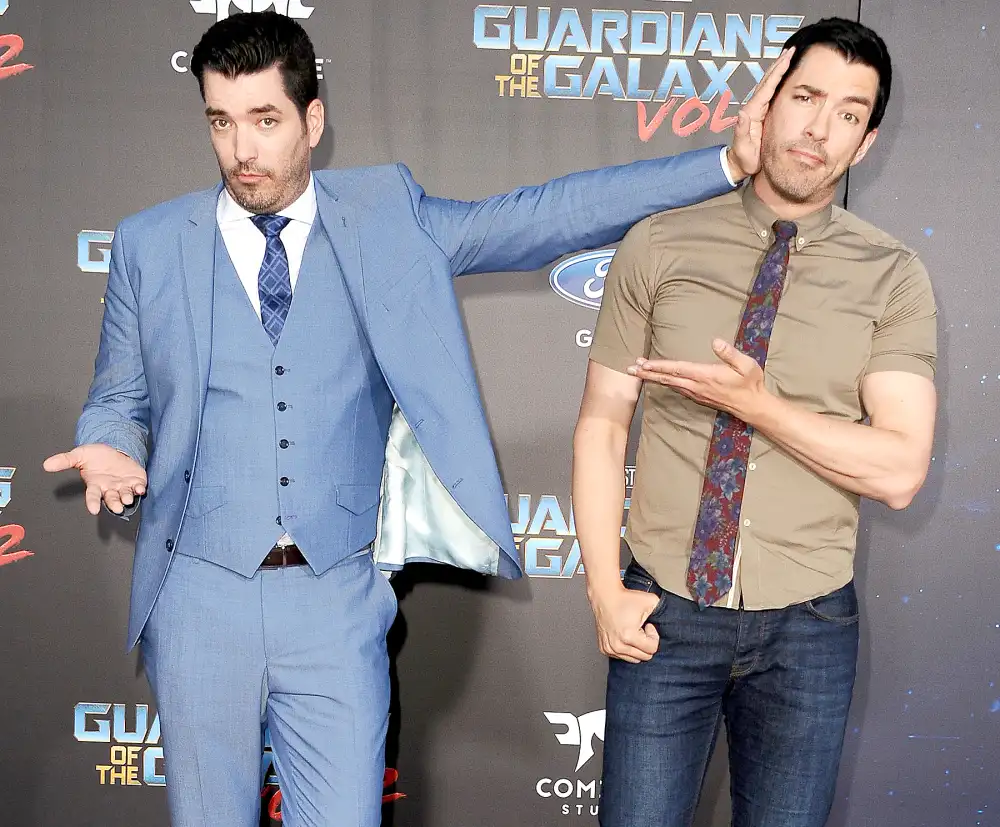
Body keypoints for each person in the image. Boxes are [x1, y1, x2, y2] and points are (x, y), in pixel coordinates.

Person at [43, 10, 789, 827]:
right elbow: (118, 394)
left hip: (335, 597)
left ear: (312, 120)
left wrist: (726, 162)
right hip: (198, 598)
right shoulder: (150, 244)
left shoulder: (389, 214)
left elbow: (545, 214)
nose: (240, 151)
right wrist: (111, 444)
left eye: (264, 120)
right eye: (221, 122)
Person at [573, 16, 937, 827]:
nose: (819, 127)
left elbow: (900, 470)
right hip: (663, 611)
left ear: (866, 143)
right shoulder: (657, 245)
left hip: (809, 626)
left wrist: (759, 406)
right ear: (766, 103)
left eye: (849, 112)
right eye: (805, 96)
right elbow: (602, 423)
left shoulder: (893, 276)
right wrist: (605, 586)